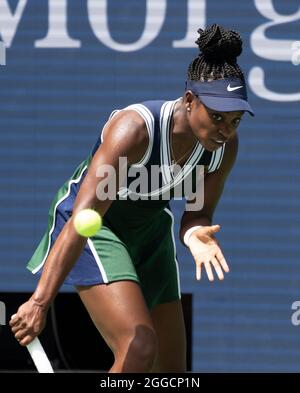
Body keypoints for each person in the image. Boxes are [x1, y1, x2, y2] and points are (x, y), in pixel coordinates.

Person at [10, 24, 254, 373]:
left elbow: (198, 214)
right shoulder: (135, 131)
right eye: (216, 116)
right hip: (96, 225)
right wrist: (39, 302)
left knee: (172, 369)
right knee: (138, 346)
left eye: (235, 121)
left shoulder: (223, 148)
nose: (226, 129)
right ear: (189, 100)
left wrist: (193, 234)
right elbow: (85, 217)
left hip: (150, 228)